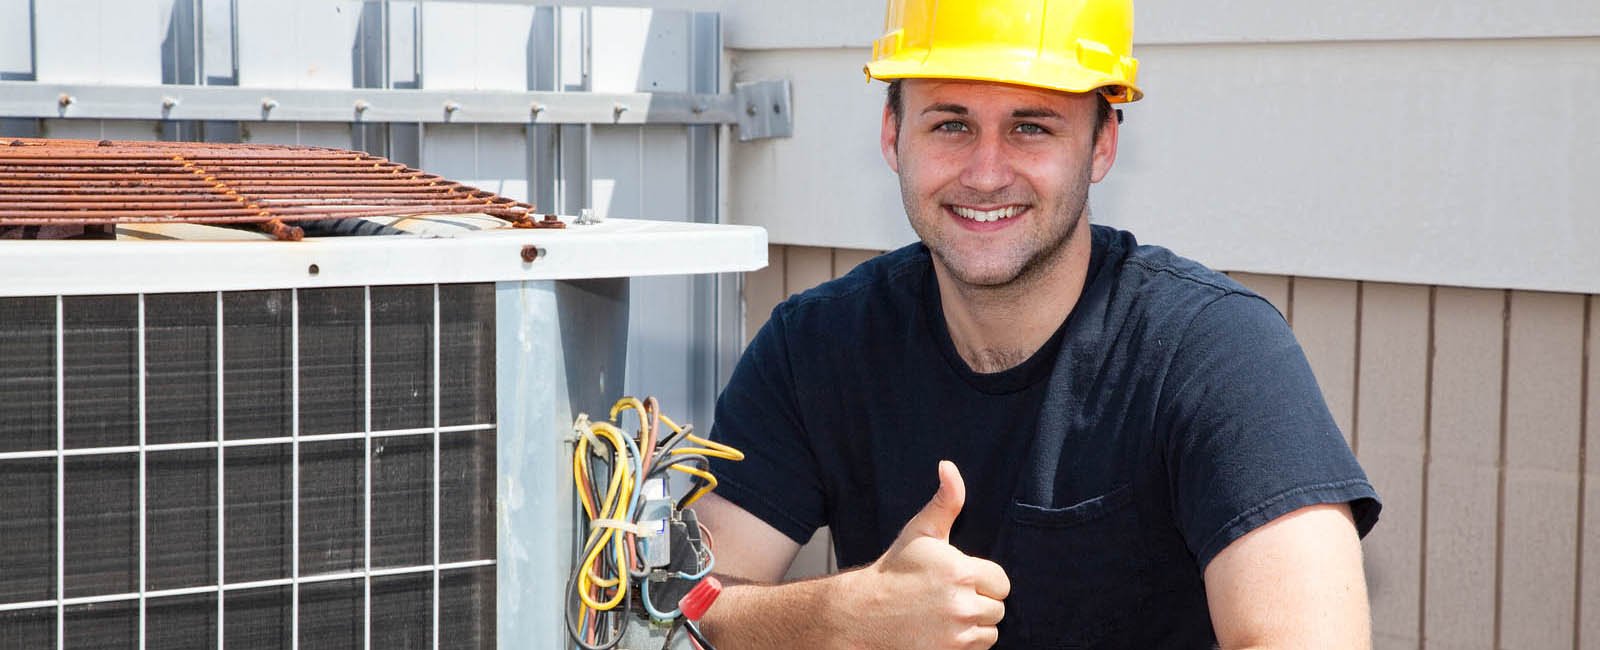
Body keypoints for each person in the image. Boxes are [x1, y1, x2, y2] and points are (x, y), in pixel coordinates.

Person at [695, 0, 1381, 647]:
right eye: (951, 124)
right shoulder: (817, 346)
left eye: (1032, 126)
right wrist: (847, 617)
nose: (986, 173)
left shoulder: (1216, 354)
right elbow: (688, 604)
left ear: (1102, 144)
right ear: (892, 135)